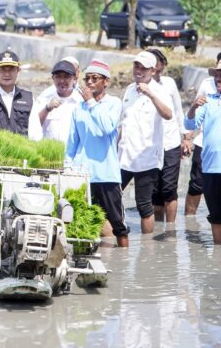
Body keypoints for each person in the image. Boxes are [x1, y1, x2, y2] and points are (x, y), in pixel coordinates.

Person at [66, 59, 128, 247]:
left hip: (106, 174)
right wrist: (68, 167)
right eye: (87, 79)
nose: (90, 82)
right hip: (83, 174)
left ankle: (124, 262)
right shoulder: (78, 109)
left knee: (118, 224)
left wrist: (92, 102)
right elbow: (72, 143)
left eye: (95, 78)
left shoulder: (113, 103)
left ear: (105, 82)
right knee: (83, 222)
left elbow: (108, 127)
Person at [119, 51, 173, 236]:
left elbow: (168, 114)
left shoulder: (159, 90)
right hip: (124, 156)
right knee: (110, 198)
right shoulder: (128, 90)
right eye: (136, 66)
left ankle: (147, 248)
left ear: (153, 70)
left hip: (147, 158)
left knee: (143, 205)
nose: (139, 71)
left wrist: (151, 94)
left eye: (143, 67)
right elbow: (122, 123)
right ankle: (112, 239)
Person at [147, 48, 189, 224]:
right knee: (155, 191)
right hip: (150, 145)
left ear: (163, 65)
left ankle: (171, 229)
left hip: (171, 143)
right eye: (153, 65)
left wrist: (186, 137)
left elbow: (179, 113)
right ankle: (157, 226)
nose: (156, 68)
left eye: (158, 64)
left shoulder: (169, 84)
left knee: (169, 188)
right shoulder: (141, 87)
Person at [185, 61, 221, 244]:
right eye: (216, 74)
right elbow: (190, 124)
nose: (218, 78)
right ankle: (217, 255)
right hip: (210, 168)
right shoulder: (208, 100)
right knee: (215, 215)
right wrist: (192, 107)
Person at [28, 59, 82, 143]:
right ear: (53, 78)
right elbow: (34, 127)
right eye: (58, 76)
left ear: (74, 78)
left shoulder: (81, 101)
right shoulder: (43, 99)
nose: (62, 81)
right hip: (49, 153)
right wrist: (47, 109)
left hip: (74, 154)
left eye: (66, 76)